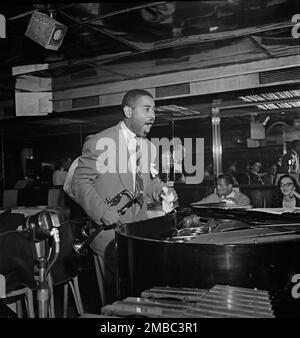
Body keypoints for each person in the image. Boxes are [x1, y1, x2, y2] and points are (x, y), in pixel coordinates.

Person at [71, 89, 177, 304]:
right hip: (110, 236)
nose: (153, 115)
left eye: (154, 109)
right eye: (146, 109)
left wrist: (161, 190)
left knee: (138, 298)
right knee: (114, 302)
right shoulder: (100, 142)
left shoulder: (148, 147)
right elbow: (79, 183)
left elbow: (146, 182)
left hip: (139, 234)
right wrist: (101, 211)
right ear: (128, 111)